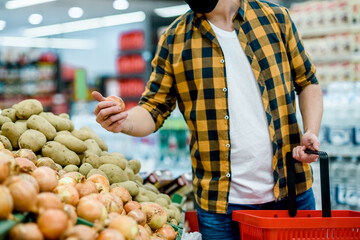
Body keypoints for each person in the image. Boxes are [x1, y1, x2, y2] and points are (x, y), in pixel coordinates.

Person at [92, 0, 323, 239]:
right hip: (219, 208)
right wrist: (123, 120)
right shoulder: (175, 39)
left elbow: (307, 82)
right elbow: (153, 108)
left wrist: (311, 131)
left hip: (291, 193)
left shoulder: (275, 19)